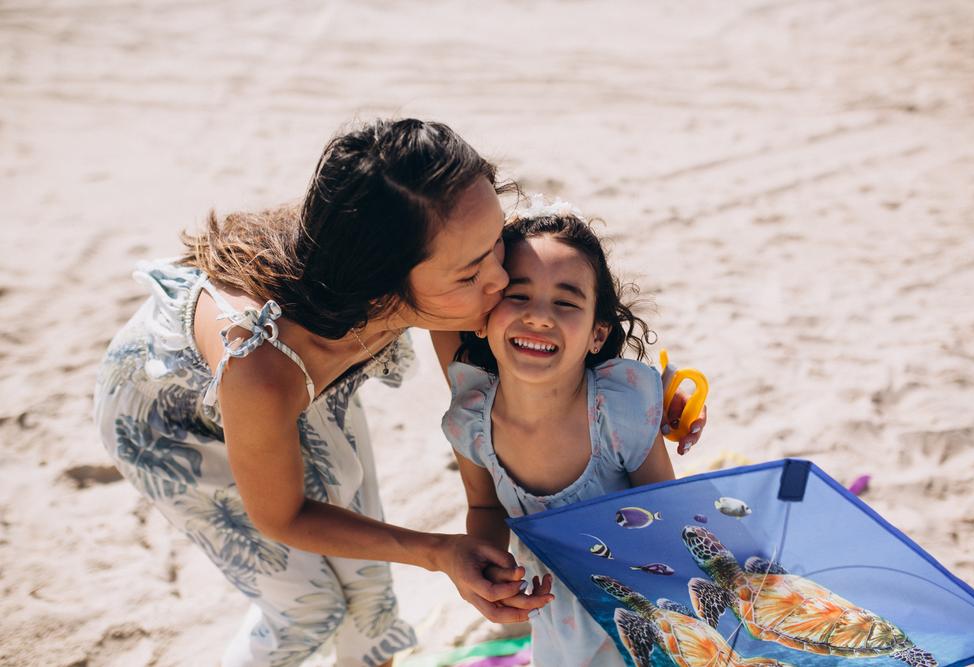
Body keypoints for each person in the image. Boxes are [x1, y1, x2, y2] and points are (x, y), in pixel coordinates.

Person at [93, 119, 551, 667]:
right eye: (472, 272)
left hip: (311, 390)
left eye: (497, 242)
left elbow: (471, 402)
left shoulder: (452, 253)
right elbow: (282, 516)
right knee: (307, 611)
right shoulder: (260, 363)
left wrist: (483, 517)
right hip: (172, 423)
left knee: (369, 592)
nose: (502, 279)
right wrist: (439, 551)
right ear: (381, 283)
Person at [441, 198, 692, 666]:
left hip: (641, 603)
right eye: (518, 295)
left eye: (565, 301)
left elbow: (665, 514)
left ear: (597, 334)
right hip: (554, 610)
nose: (539, 315)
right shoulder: (472, 420)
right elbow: (483, 505)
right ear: (485, 316)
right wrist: (493, 564)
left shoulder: (619, 409)